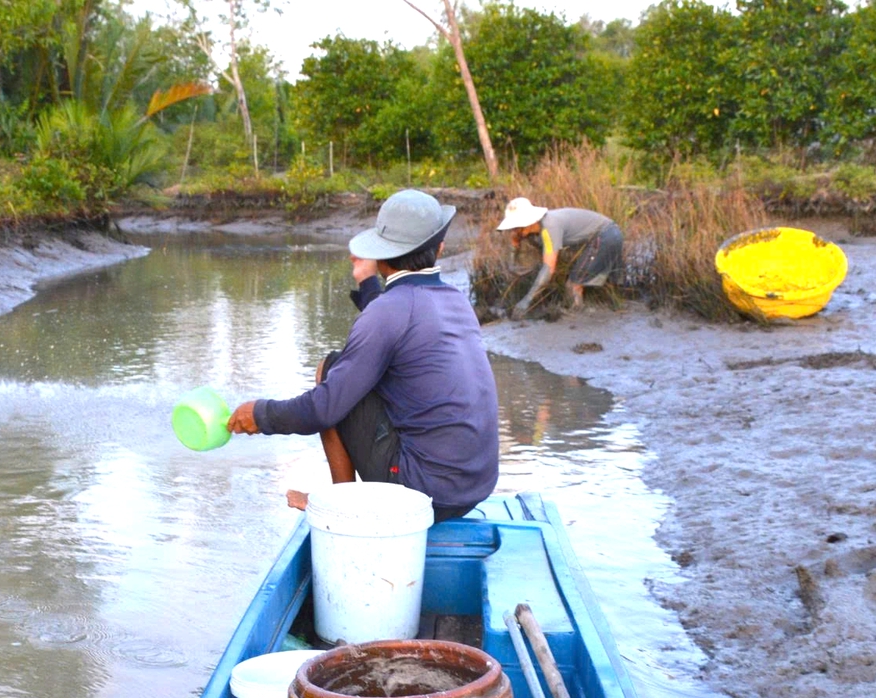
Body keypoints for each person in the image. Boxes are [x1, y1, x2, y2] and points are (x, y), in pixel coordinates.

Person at [224, 189, 499, 523]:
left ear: (381, 256)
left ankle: (344, 504)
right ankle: (348, 498)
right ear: (439, 248)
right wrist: (369, 284)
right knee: (356, 375)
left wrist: (262, 415)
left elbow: (324, 410)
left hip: (424, 494)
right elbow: (395, 323)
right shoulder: (455, 301)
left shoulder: (388, 311)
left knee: (331, 369)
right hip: (472, 489)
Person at [497, 197, 624, 317]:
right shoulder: (536, 229)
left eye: (516, 228)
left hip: (606, 236)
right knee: (610, 282)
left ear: (528, 222)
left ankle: (579, 316)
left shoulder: (549, 228)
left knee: (573, 285)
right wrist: (512, 256)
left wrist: (527, 300)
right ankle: (617, 305)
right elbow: (514, 256)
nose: (513, 231)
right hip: (610, 234)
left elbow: (549, 268)